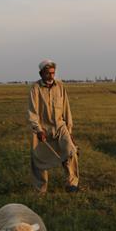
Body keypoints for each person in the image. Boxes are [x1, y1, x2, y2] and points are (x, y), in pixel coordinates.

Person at [27, 59, 80, 193]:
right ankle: (40, 190)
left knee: (71, 151)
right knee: (38, 159)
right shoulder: (35, 88)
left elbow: (66, 108)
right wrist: (38, 130)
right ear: (41, 74)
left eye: (53, 73)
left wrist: (69, 130)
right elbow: (32, 112)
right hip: (42, 128)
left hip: (60, 126)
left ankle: (72, 184)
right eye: (48, 73)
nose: (51, 76)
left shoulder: (60, 86)